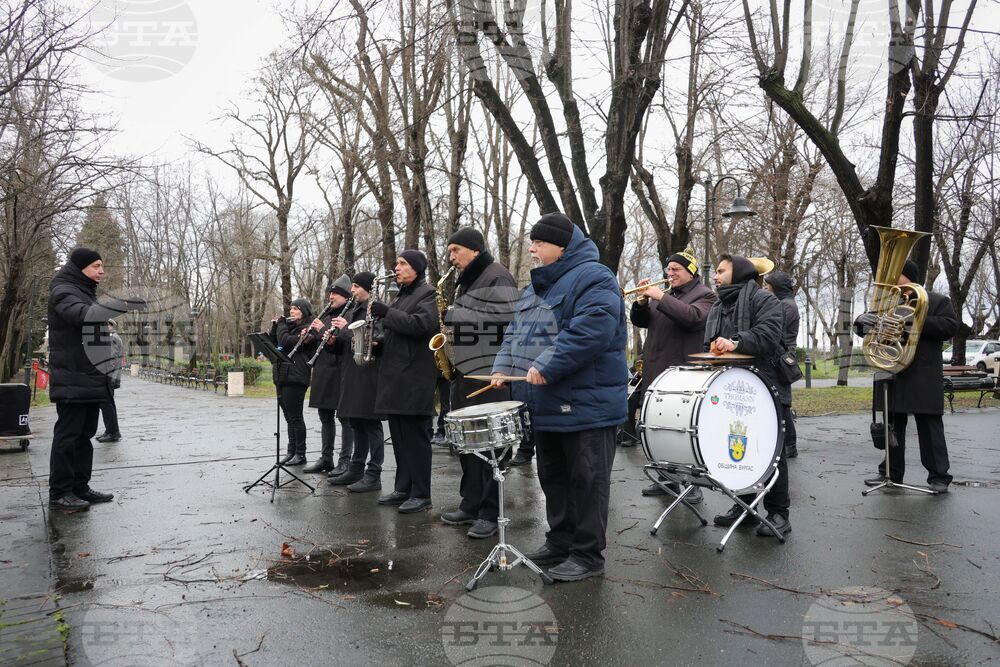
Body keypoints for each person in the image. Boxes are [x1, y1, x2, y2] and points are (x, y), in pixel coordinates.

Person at [491, 213, 628, 582]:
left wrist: (547, 363)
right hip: (546, 402)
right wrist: (502, 369)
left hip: (587, 404)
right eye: (531, 242)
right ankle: (560, 540)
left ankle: (587, 554)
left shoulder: (596, 277)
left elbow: (591, 329)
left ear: (562, 246)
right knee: (553, 476)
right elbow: (514, 335)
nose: (532, 249)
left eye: (538, 242)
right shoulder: (534, 288)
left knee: (587, 480)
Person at [438, 227, 518, 539]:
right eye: (450, 251)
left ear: (474, 249)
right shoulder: (468, 280)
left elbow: (507, 321)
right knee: (468, 444)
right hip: (467, 373)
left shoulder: (497, 276)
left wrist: (458, 313)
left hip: (489, 374)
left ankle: (490, 511)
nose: (452, 257)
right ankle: (470, 502)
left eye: (456, 250)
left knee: (491, 447)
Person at [705, 253, 792, 538]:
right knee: (738, 449)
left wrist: (735, 343)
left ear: (739, 273)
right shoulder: (719, 305)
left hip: (765, 384)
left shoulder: (765, 300)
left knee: (771, 450)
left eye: (720, 271)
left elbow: (767, 336)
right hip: (731, 388)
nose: (715, 276)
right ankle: (744, 507)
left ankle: (779, 513)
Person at [48, 248, 141, 510]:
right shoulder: (64, 289)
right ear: (80, 267)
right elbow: (82, 315)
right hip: (73, 375)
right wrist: (120, 306)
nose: (101, 271)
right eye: (95, 266)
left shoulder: (82, 290)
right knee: (68, 436)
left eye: (102, 266)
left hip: (88, 375)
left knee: (85, 434)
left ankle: (79, 487)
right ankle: (60, 492)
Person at [857, 259, 959, 493]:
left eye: (897, 274)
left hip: (922, 374)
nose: (891, 279)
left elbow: (950, 327)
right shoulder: (886, 302)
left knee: (930, 427)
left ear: (909, 276)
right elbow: (867, 331)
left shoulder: (934, 301)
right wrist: (861, 323)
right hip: (892, 372)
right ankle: (890, 472)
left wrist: (913, 321)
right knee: (892, 427)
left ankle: (939, 476)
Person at [631, 248, 717, 500]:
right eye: (668, 270)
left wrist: (659, 296)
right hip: (657, 372)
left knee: (684, 431)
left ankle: (693, 485)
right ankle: (665, 478)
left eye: (676, 269)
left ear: (691, 271)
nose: (670, 274)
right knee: (660, 430)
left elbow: (692, 318)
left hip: (684, 374)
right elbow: (642, 321)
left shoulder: (706, 295)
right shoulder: (666, 294)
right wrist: (641, 303)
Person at [370, 250, 440, 513]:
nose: (396, 268)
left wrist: (386, 313)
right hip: (396, 377)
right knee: (399, 438)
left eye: (402, 264)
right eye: (396, 263)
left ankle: (421, 494)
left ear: (417, 268)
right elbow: (398, 334)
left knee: (416, 439)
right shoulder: (400, 295)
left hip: (415, 378)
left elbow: (421, 325)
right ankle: (403, 488)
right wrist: (378, 344)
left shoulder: (428, 294)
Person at [330, 272, 386, 493]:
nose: (351, 290)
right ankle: (356, 467)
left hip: (369, 374)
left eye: (355, 286)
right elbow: (347, 344)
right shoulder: (354, 310)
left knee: (371, 424)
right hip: (351, 372)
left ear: (367, 288)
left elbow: (378, 338)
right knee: (355, 422)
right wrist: (332, 341)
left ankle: (374, 474)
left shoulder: (375, 310)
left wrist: (344, 329)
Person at [304, 276, 355, 475]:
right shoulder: (326, 314)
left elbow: (341, 341)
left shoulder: (349, 314)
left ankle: (345, 461)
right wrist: (308, 338)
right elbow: (321, 342)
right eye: (330, 293)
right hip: (322, 371)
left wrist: (322, 330)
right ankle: (326, 458)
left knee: (344, 419)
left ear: (345, 296)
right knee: (325, 417)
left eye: (335, 293)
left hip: (339, 371)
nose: (330, 296)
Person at [269, 299, 318, 466]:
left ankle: (301, 453)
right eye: (291, 308)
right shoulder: (289, 327)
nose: (292, 311)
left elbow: (286, 341)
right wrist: (276, 326)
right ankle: (291, 452)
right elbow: (274, 343)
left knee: (296, 417)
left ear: (304, 311)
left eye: (296, 309)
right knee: (288, 418)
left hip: (296, 377)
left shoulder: (308, 327)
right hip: (282, 375)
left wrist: (281, 326)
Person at [763, 271, 801, 459]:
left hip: (782, 358)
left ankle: (790, 445)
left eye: (768, 286)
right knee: (780, 401)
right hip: (780, 356)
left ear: (776, 287)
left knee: (782, 402)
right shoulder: (785, 303)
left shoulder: (786, 306)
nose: (765, 289)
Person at [96, 319, 124, 443]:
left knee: (107, 404)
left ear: (110, 326)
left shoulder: (112, 338)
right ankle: (110, 430)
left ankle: (113, 432)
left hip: (109, 376)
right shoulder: (113, 337)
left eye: (105, 325)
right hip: (111, 376)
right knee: (107, 404)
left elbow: (111, 359)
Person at [432, 372, 451, 447]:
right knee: (426, 401)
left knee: (445, 403)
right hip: (430, 370)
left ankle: (442, 432)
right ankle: (428, 432)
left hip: (445, 372)